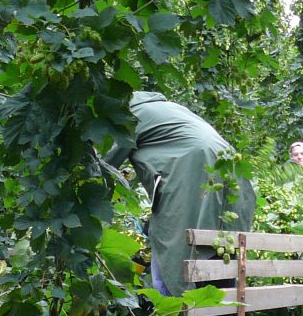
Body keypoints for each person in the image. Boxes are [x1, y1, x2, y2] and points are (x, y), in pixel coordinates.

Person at [104, 91, 256, 297]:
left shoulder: (130, 116)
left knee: (174, 248)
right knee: (219, 245)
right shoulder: (168, 109)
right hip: (227, 165)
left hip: (194, 170)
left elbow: (102, 167)